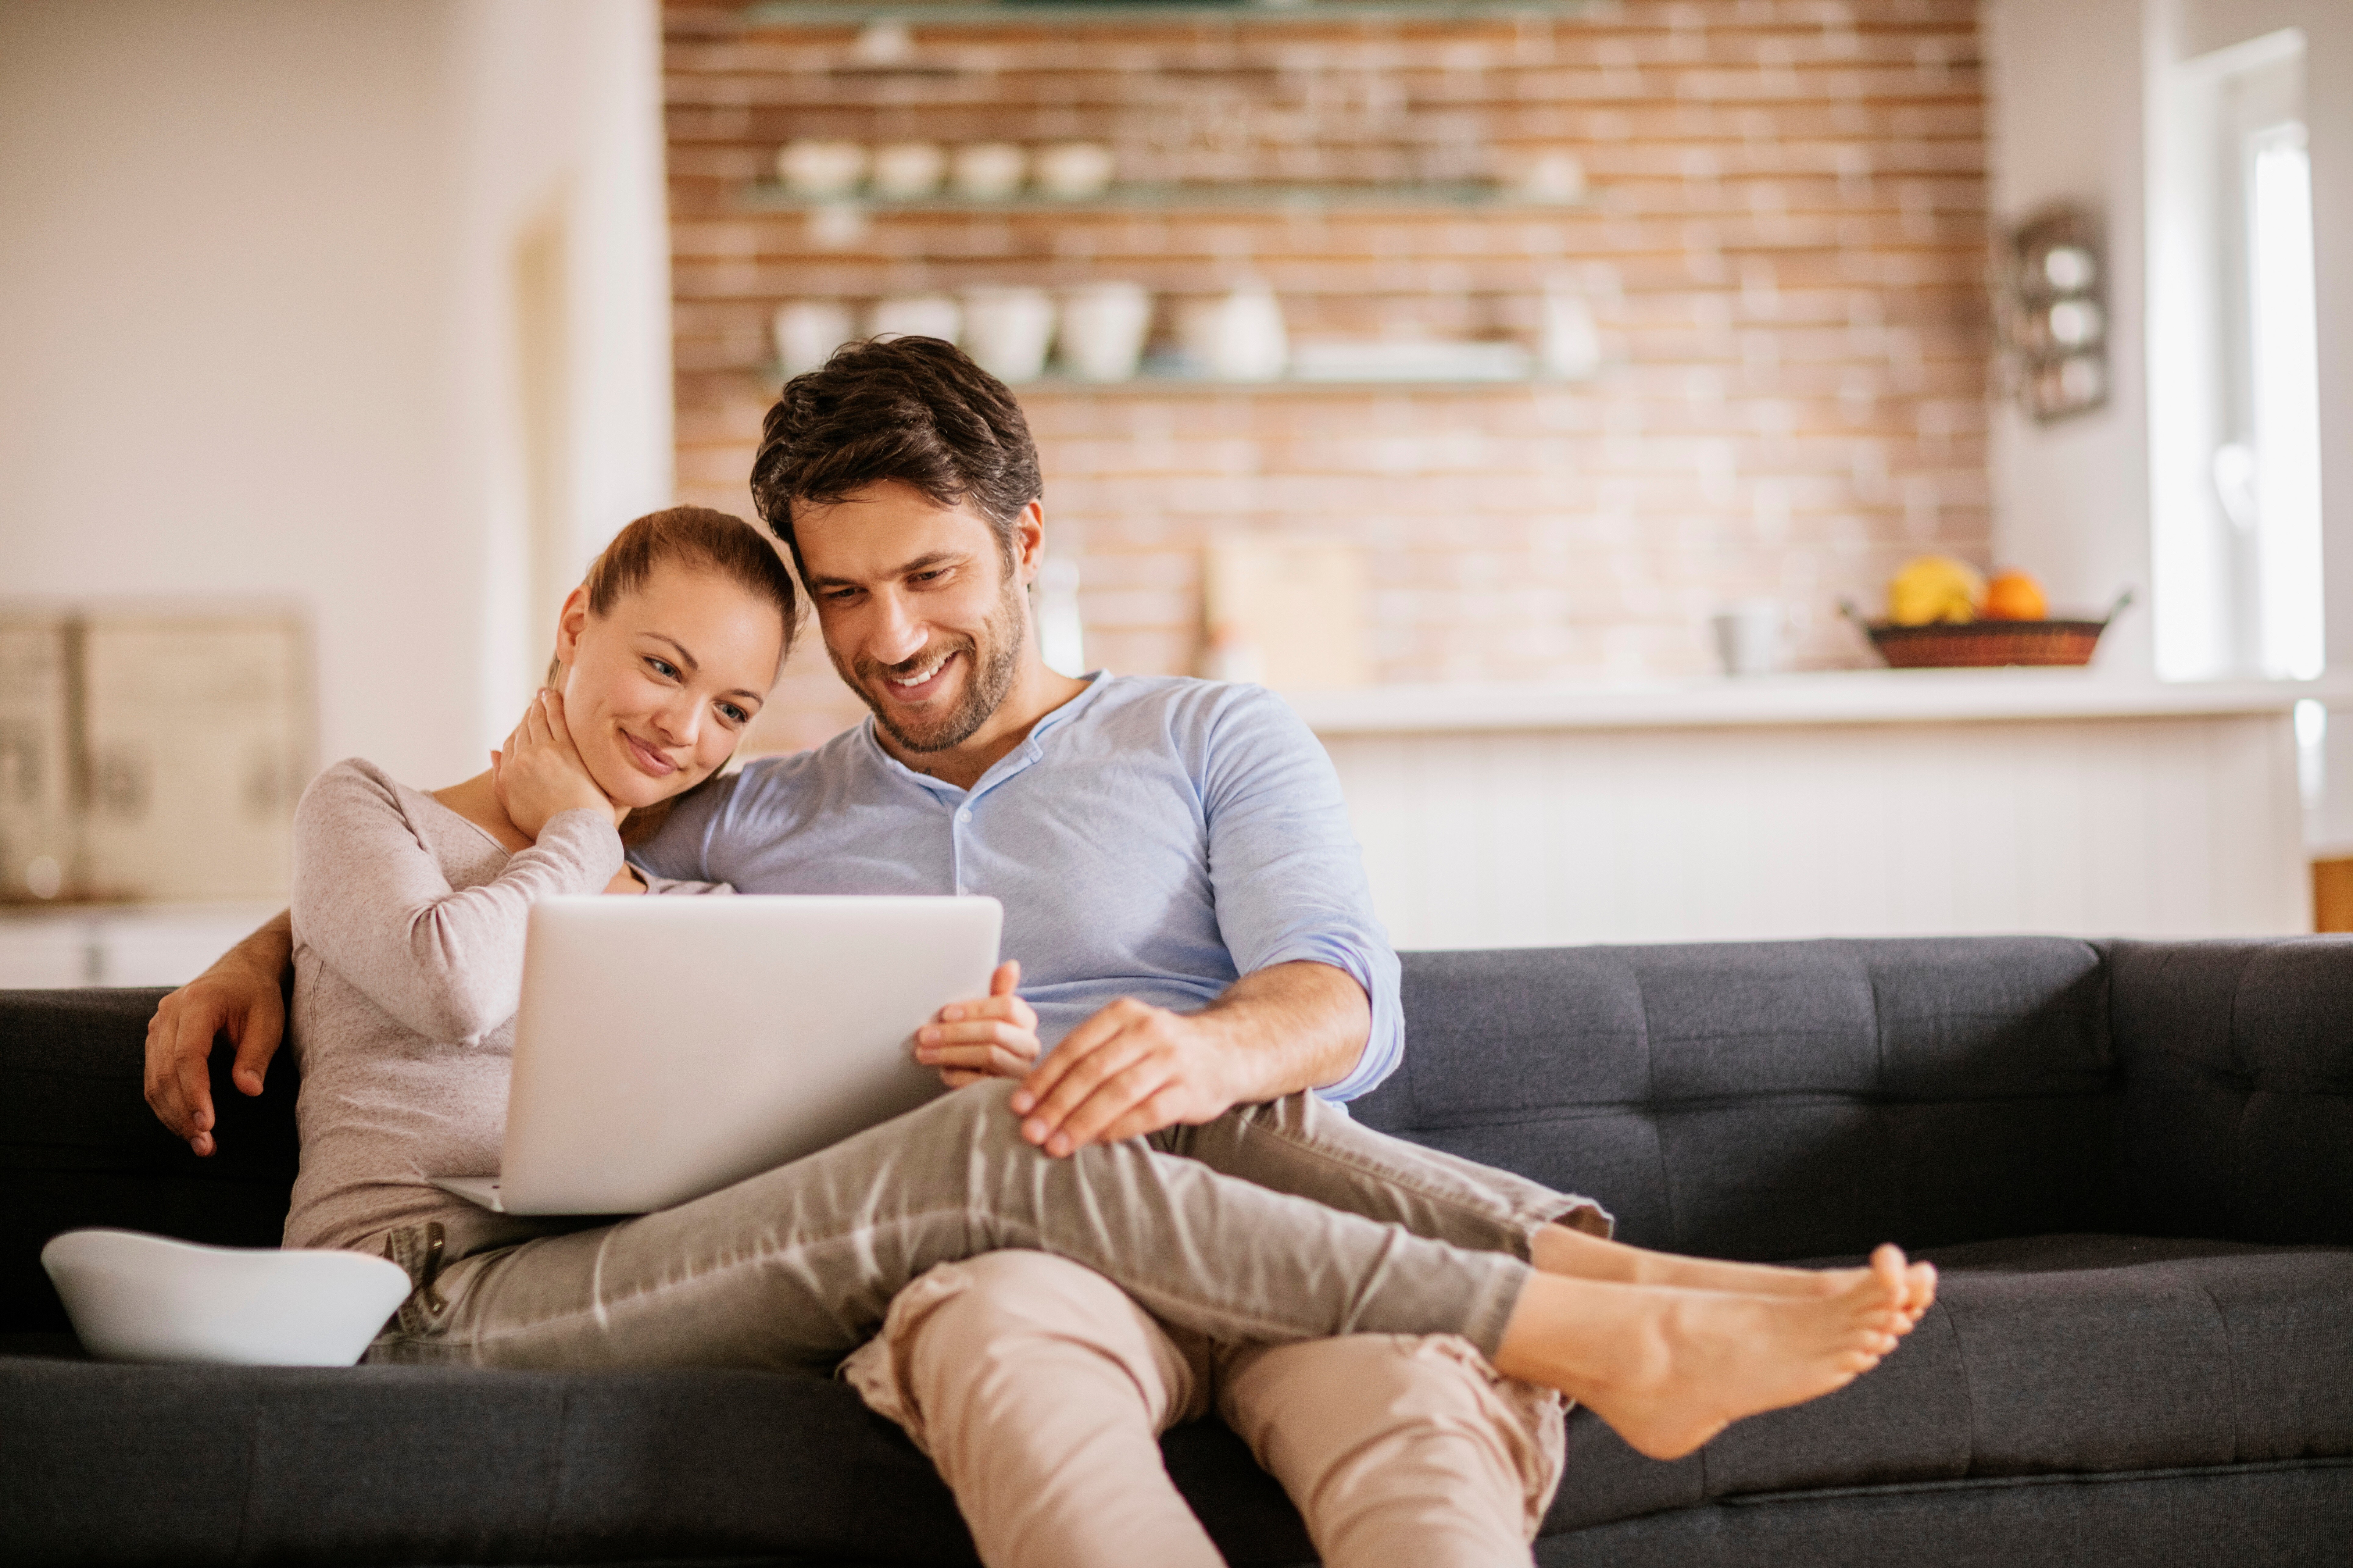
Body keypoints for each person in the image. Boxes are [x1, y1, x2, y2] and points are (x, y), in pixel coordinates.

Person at [148, 347, 1934, 1568]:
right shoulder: (750, 808)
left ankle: (1617, 1306)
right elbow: (503, 865)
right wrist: (274, 950)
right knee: (1011, 1268)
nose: (889, 636)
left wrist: (1198, 1049)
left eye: (927, 576)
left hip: (1256, 1188)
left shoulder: (1211, 734)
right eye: (843, 596)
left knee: (1396, 1413)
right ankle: (1612, 1302)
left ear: (1021, 544)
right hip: (1000, 1247)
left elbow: (1343, 997)